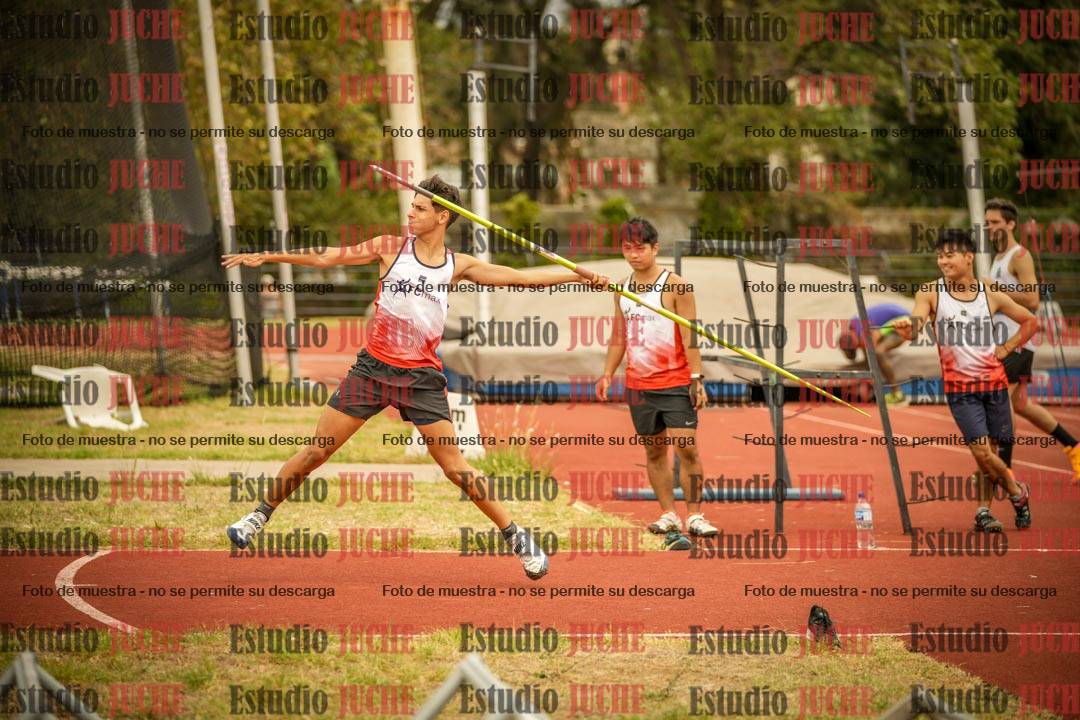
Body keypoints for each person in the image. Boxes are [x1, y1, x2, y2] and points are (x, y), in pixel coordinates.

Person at [221, 175, 609, 580]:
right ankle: (257, 516)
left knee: (456, 468)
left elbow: (522, 278)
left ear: (443, 217)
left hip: (420, 378)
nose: (411, 213)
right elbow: (326, 257)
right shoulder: (390, 247)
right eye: (412, 205)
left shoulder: (458, 265)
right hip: (372, 370)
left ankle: (517, 537)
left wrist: (577, 277)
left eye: (420, 208)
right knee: (316, 452)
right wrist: (269, 256)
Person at [893, 229, 1038, 532]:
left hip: (995, 386)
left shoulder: (989, 293)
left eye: (949, 255)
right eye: (939, 256)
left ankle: (983, 511)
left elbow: (1030, 321)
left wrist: (1007, 348)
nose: (942, 261)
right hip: (961, 391)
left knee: (989, 457)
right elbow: (917, 323)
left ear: (969, 256)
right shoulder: (930, 292)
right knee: (982, 453)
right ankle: (1017, 492)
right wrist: (908, 329)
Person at [595, 218, 718, 546]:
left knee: (686, 448)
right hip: (639, 385)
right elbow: (619, 336)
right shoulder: (621, 289)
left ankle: (695, 515)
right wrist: (608, 373)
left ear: (655, 248)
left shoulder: (677, 286)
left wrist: (697, 378)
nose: (634, 255)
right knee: (654, 451)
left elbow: (690, 334)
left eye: (640, 248)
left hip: (676, 382)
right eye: (627, 248)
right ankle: (668, 513)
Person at [984, 197, 1080, 482]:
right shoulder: (998, 257)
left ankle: (1005, 469)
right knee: (1021, 404)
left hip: (1018, 341)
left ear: (1011, 224)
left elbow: (1033, 300)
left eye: (995, 222)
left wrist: (994, 289)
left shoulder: (1019, 256)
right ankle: (1074, 447)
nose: (989, 227)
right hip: (1005, 340)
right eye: (987, 223)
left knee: (1001, 402)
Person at [837, 303, 909, 403]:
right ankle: (881, 391)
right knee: (873, 356)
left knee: (878, 352)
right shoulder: (855, 329)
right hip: (893, 320)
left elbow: (870, 360)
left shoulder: (862, 333)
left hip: (905, 321)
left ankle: (897, 393)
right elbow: (869, 362)